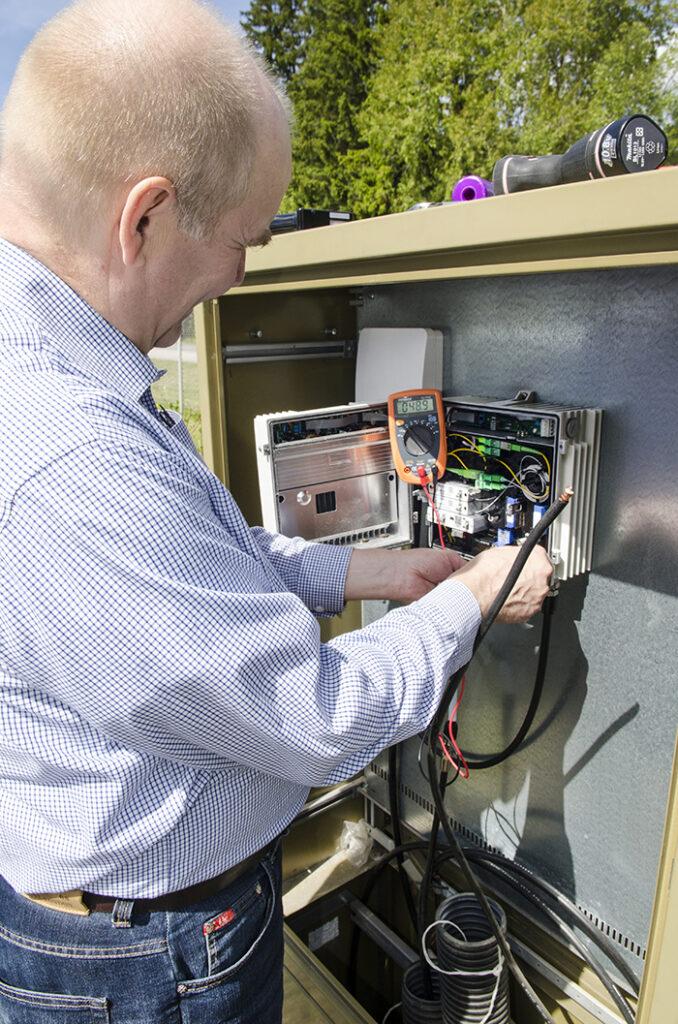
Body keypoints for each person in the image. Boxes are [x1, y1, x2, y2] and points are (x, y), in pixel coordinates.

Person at [0, 1, 553, 1021]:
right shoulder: (68, 456)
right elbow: (314, 719)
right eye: (245, 241)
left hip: (122, 924)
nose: (243, 275)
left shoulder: (50, 370)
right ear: (147, 216)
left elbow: (188, 555)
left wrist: (363, 573)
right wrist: (477, 593)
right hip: (148, 960)